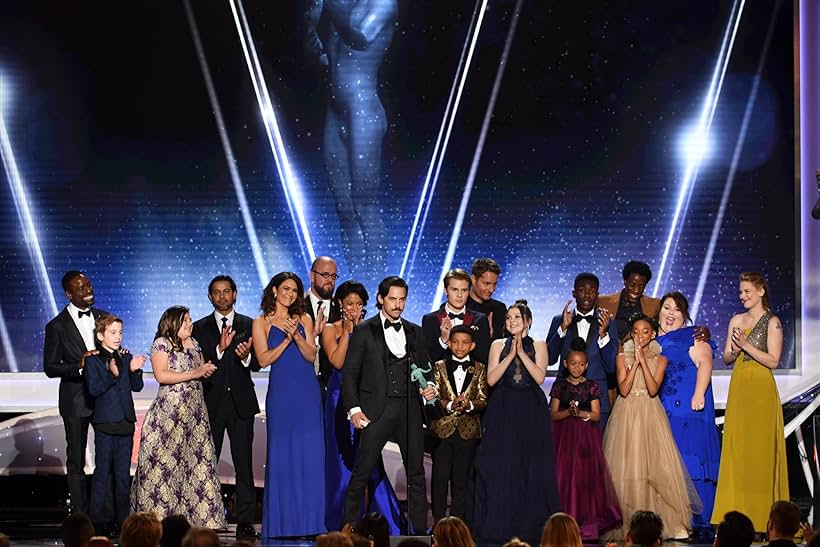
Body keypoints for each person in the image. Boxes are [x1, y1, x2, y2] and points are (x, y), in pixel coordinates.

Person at [306, 0, 396, 277]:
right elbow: (323, 55)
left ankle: (380, 288)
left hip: (363, 111)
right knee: (344, 208)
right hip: (336, 112)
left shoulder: (384, 2)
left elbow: (359, 37)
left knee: (364, 204)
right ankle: (356, 288)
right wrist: (309, 25)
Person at [341, 276, 436, 534]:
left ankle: (417, 534)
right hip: (375, 410)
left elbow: (426, 370)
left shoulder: (415, 331)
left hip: (410, 410)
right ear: (381, 299)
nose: (397, 304)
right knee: (362, 471)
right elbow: (350, 373)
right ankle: (348, 530)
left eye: (402, 299)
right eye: (392, 299)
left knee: (416, 474)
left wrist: (430, 386)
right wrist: (354, 409)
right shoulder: (364, 330)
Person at [471, 300, 561, 544]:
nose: (511, 321)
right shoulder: (497, 344)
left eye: (517, 318)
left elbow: (540, 377)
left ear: (528, 322)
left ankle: (531, 527)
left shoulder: (540, 344)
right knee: (501, 466)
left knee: (530, 467)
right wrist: (510, 354)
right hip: (503, 407)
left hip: (531, 410)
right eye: (509, 318)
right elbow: (491, 379)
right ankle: (498, 527)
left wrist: (522, 352)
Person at [602, 315, 698, 540]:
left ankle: (665, 523)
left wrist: (644, 361)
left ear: (652, 334)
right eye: (636, 331)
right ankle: (630, 523)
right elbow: (624, 390)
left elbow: (653, 388)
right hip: (627, 412)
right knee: (628, 466)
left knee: (655, 466)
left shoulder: (662, 359)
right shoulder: (620, 357)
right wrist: (634, 361)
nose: (640, 336)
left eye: (645, 331)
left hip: (650, 411)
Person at [130, 306, 225, 528]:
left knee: (195, 466)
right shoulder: (162, 343)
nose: (190, 324)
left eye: (190, 320)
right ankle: (158, 521)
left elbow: (201, 369)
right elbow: (162, 375)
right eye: (185, 320)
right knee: (164, 467)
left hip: (195, 417)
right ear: (173, 323)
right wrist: (195, 374)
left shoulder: (195, 343)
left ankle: (198, 521)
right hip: (168, 417)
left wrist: (208, 368)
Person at [321, 280, 403, 533]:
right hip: (338, 400)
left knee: (369, 461)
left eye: (358, 304)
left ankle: (379, 522)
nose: (354, 308)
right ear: (339, 304)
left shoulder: (374, 330)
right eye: (349, 304)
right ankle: (342, 521)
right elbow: (336, 362)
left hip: (367, 400)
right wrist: (348, 332)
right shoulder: (330, 329)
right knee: (341, 462)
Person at [711, 272, 788, 532]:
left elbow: (774, 361)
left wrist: (746, 345)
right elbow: (727, 357)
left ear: (761, 291)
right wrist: (734, 348)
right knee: (738, 451)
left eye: (747, 291)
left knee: (761, 452)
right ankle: (736, 518)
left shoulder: (772, 322)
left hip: (761, 390)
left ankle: (764, 520)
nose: (742, 296)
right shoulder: (736, 319)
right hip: (740, 387)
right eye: (741, 291)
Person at [250, 272, 324, 537]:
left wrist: (300, 337)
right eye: (285, 289)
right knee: (282, 455)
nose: (290, 294)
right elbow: (263, 359)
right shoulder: (261, 323)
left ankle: (311, 523)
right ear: (273, 290)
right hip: (281, 395)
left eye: (295, 290)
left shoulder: (304, 318)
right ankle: (283, 524)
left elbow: (311, 355)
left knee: (310, 456)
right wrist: (286, 339)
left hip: (307, 394)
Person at [191, 275, 260, 539]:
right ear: (210, 297)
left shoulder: (250, 324)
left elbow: (257, 364)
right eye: (216, 293)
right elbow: (198, 368)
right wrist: (219, 352)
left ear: (235, 294)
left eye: (226, 291)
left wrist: (246, 358)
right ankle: (205, 517)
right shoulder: (199, 328)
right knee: (207, 464)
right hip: (212, 404)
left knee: (244, 465)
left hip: (242, 404)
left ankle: (244, 521)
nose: (222, 297)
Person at [655, 291, 720, 531]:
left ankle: (699, 522)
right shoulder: (652, 339)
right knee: (670, 465)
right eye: (667, 308)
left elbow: (705, 362)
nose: (671, 313)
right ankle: (674, 521)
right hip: (664, 410)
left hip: (689, 409)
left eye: (677, 309)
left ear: (684, 315)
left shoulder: (690, 336)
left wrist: (699, 393)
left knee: (692, 461)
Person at [44, 271, 107, 514]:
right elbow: (50, 367)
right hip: (75, 400)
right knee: (76, 460)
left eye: (88, 285)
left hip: (104, 398)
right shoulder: (57, 326)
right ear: (69, 294)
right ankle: (80, 517)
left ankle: (105, 514)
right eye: (80, 288)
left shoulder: (104, 317)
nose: (87, 290)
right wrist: (79, 366)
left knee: (107, 458)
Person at [549, 337, 621, 539]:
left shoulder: (592, 386)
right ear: (565, 364)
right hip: (563, 439)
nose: (577, 367)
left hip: (585, 439)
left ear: (587, 365)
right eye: (573, 363)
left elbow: (597, 414)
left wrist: (579, 412)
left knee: (584, 478)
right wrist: (568, 413)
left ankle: (587, 524)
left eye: (581, 364)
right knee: (564, 476)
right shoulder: (559, 386)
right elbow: (553, 414)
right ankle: (563, 523)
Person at [85, 315, 146, 535]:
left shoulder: (125, 356)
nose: (118, 336)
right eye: (113, 332)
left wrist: (135, 369)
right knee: (102, 474)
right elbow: (93, 389)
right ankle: (97, 523)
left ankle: (124, 524)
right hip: (105, 423)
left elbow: (136, 386)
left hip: (125, 424)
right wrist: (112, 375)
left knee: (122, 477)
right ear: (101, 335)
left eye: (120, 332)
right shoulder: (93, 360)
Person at [429, 325, 489, 522]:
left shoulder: (480, 368)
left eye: (464, 343)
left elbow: (483, 398)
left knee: (461, 481)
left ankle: (457, 526)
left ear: (472, 345)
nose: (459, 346)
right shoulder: (438, 366)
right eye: (455, 342)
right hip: (442, 432)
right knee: (439, 480)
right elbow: (434, 395)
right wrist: (449, 405)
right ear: (449, 343)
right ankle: (438, 524)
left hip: (468, 432)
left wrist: (469, 404)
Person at [546, 272, 616, 428]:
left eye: (592, 291)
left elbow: (612, 367)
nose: (587, 295)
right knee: (562, 450)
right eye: (582, 290)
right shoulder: (559, 320)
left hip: (597, 402)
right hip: (563, 400)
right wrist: (562, 329)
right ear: (574, 293)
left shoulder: (607, 321)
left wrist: (604, 334)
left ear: (597, 295)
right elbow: (549, 358)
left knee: (595, 450)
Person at [423, 268, 491, 365]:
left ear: (469, 292)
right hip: (440, 378)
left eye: (464, 290)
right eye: (454, 289)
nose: (460, 295)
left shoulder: (480, 319)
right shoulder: (430, 320)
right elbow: (426, 360)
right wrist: (443, 341)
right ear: (445, 290)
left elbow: (485, 358)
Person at [306, 256, 342, 388]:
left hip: (335, 387)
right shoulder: (295, 307)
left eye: (333, 276)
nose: (330, 280)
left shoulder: (342, 309)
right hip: (302, 383)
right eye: (325, 275)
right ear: (312, 276)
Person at [466, 258, 506, 340]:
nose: (491, 289)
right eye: (487, 283)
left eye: (494, 284)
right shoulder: (457, 308)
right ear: (473, 279)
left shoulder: (499, 309)